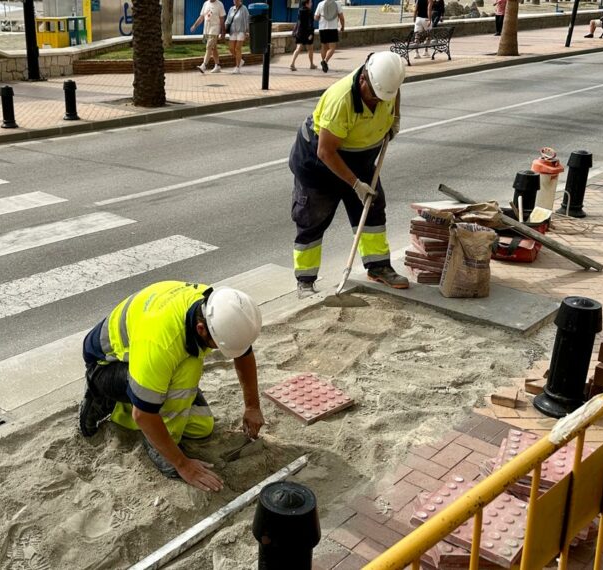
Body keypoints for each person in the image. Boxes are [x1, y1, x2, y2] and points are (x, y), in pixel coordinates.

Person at [79, 282, 265, 492]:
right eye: (219, 345)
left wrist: (252, 406)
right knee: (187, 369)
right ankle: (104, 399)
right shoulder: (161, 344)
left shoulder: (217, 308)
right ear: (201, 329)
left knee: (202, 427)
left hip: (140, 360)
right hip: (106, 366)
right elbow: (143, 414)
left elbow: (243, 353)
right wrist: (182, 464)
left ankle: (137, 404)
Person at [289, 51, 410, 296]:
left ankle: (378, 267)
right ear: (364, 78)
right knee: (313, 220)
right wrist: (355, 184)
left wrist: (394, 118)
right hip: (319, 165)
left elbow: (393, 94)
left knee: (372, 212)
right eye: (374, 97)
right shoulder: (341, 99)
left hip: (360, 160)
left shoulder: (386, 82)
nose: (378, 102)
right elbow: (326, 152)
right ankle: (305, 281)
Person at [191, 0, 227, 73]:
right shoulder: (206, 3)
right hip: (206, 29)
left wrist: (223, 32)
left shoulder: (219, 4)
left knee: (209, 46)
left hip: (215, 28)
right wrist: (195, 25)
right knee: (213, 48)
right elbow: (201, 17)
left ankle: (204, 65)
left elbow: (222, 20)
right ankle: (217, 66)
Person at [315, 0, 345, 72]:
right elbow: (341, 17)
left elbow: (316, 17)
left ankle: (323, 63)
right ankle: (325, 61)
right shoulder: (337, 4)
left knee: (324, 47)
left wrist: (321, 17)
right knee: (332, 48)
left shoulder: (321, 4)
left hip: (322, 28)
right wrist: (342, 26)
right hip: (332, 28)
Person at [290, 0, 317, 70]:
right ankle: (311, 64)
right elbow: (310, 23)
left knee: (298, 48)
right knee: (310, 49)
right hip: (307, 33)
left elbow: (298, 22)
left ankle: (292, 63)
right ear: (307, 4)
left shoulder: (300, 11)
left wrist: (295, 31)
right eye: (310, 2)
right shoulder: (309, 12)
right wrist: (311, 33)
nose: (311, 3)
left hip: (300, 32)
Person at [225, 0, 250, 74]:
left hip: (241, 30)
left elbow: (247, 19)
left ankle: (237, 67)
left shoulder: (244, 8)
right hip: (233, 31)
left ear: (240, 0)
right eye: (234, 0)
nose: (235, 1)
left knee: (238, 48)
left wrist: (247, 31)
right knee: (231, 48)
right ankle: (240, 60)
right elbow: (228, 20)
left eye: (236, 0)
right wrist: (224, 30)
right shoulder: (231, 9)